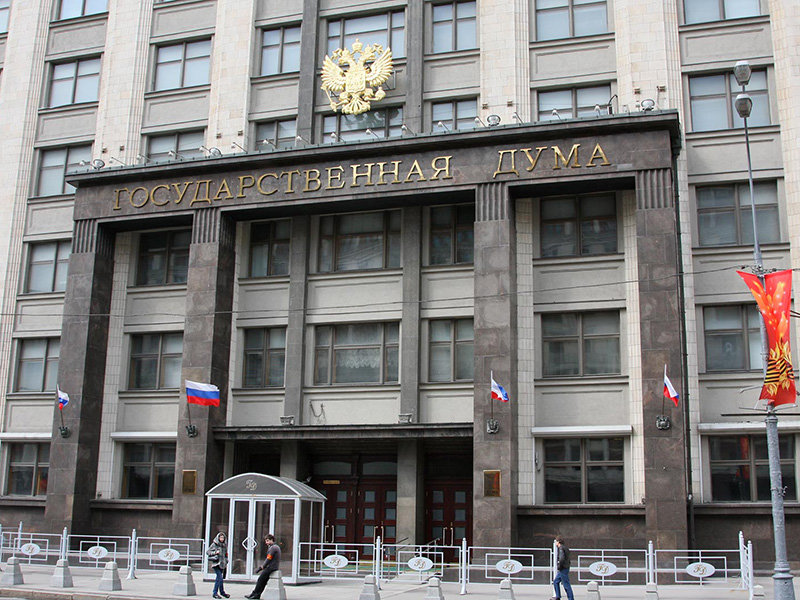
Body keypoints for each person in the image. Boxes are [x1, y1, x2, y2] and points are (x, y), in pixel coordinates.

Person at [245, 534, 281, 599]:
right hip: (273, 567)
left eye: (267, 541)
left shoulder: (273, 548)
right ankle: (256, 594)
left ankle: (255, 594)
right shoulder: (275, 547)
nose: (266, 542)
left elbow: (268, 558)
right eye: (266, 541)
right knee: (263, 581)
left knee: (260, 579)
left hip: (271, 567)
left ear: (272, 540)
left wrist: (262, 567)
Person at [206, 531, 230, 599]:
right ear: (218, 538)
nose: (222, 539)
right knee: (220, 578)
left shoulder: (224, 545)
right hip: (216, 564)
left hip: (222, 564)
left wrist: (226, 560)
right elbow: (208, 552)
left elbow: (225, 554)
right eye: (220, 537)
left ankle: (222, 592)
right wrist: (215, 552)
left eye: (223, 537)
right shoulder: (214, 544)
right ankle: (215, 593)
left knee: (219, 579)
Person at [551, 535, 574, 600]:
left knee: (566, 584)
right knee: (556, 581)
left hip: (563, 568)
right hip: (565, 567)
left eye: (556, 541)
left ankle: (571, 598)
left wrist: (559, 566)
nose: (555, 543)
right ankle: (558, 596)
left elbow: (561, 559)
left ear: (558, 542)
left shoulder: (561, 548)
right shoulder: (565, 548)